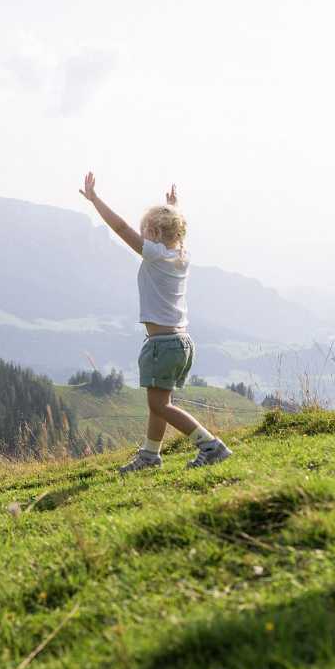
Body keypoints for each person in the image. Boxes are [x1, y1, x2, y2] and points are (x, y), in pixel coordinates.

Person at [79, 174, 232, 470]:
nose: (139, 233)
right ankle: (150, 455)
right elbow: (175, 231)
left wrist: (95, 200)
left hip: (162, 345)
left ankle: (210, 445)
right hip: (182, 343)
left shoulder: (155, 255)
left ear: (153, 232)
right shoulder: (180, 255)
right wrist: (172, 207)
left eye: (144, 230)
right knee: (158, 402)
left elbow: (119, 227)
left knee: (160, 405)